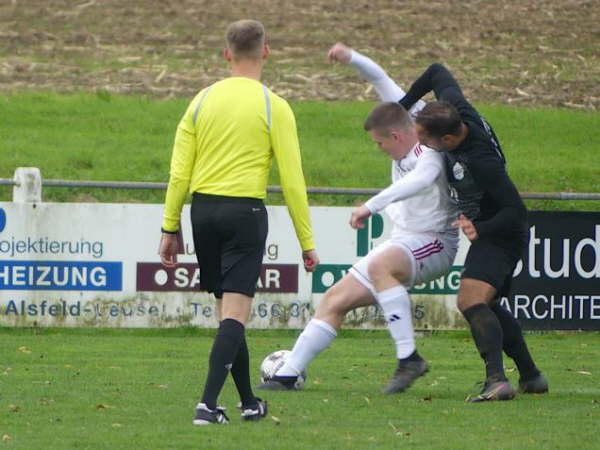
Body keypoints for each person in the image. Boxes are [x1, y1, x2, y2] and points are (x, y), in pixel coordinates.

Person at [258, 44, 459, 395]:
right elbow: (380, 78)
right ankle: (288, 374)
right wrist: (350, 57)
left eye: (379, 145)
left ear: (396, 137)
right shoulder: (408, 113)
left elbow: (419, 182)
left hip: (435, 241)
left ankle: (408, 358)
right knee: (335, 298)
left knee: (382, 267)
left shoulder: (431, 152)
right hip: (404, 239)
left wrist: (371, 205)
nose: (379, 150)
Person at [158, 19, 319, 425]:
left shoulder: (200, 101)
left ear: (226, 54)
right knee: (234, 314)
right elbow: (293, 180)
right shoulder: (273, 105)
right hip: (245, 212)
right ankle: (207, 405)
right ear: (265, 51)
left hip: (204, 211)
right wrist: (306, 241)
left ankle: (249, 402)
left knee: (229, 312)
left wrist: (169, 226)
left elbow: (179, 173)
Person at [398, 62, 548, 401]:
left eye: (424, 140)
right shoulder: (455, 108)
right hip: (491, 228)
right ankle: (531, 376)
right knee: (488, 304)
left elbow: (516, 211)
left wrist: (479, 228)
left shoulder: (480, 161)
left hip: (502, 231)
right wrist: (404, 105)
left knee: (470, 299)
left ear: (448, 140)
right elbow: (437, 71)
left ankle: (496, 380)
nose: (418, 143)